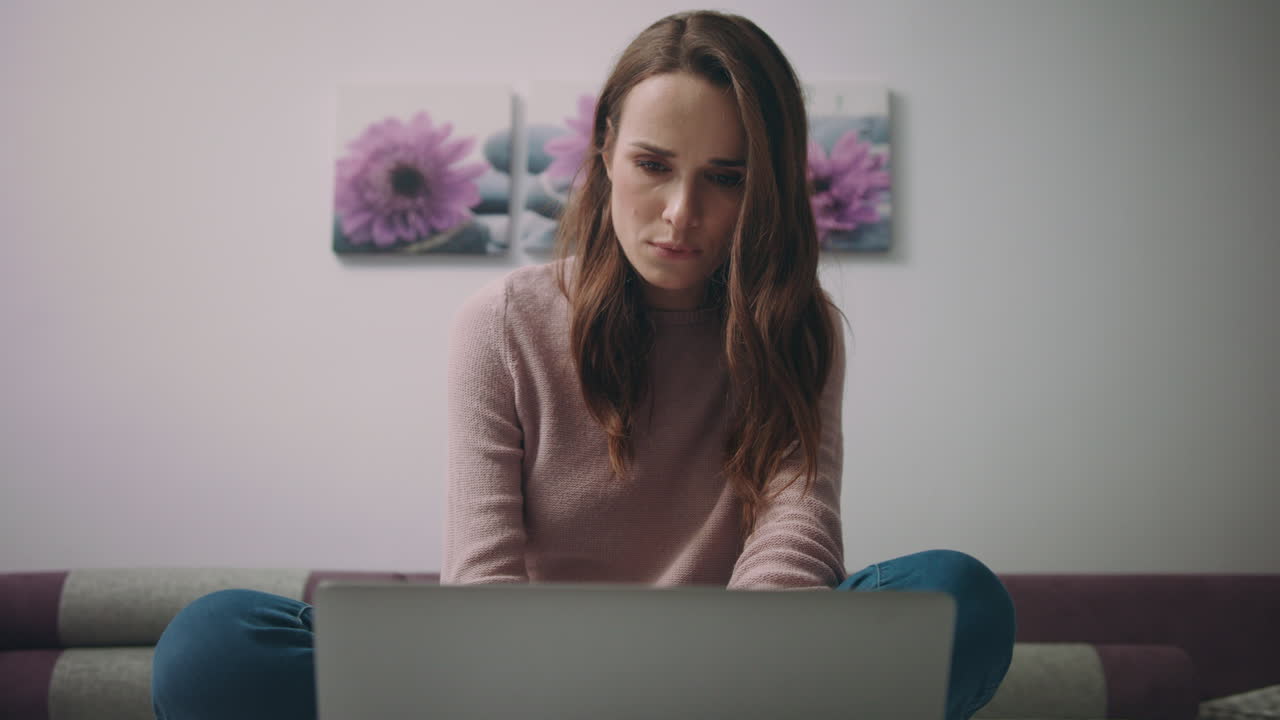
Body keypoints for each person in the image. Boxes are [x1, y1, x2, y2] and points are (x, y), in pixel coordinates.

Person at [151, 10, 1015, 720]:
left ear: (769, 187)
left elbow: (795, 538)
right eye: (653, 166)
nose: (682, 213)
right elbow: (482, 576)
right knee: (213, 645)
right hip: (518, 682)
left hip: (730, 684)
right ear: (605, 151)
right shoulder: (501, 323)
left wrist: (725, 683)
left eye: (727, 178)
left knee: (958, 598)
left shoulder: (800, 329)